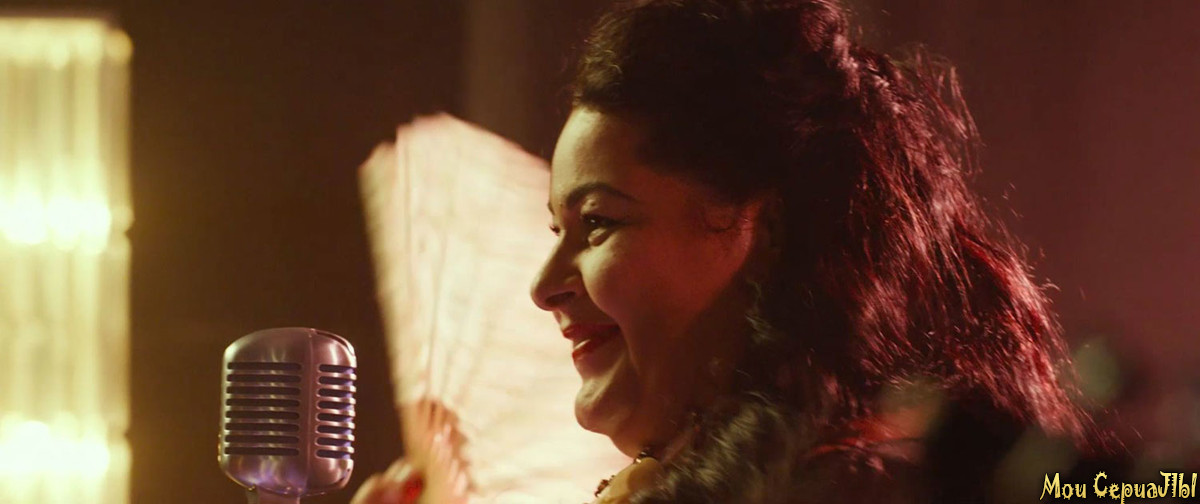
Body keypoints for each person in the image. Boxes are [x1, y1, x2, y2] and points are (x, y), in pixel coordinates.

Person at [356, 1, 1115, 502]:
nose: (544, 285)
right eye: (557, 233)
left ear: (763, 231)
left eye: (599, 224)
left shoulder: (860, 486)